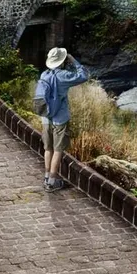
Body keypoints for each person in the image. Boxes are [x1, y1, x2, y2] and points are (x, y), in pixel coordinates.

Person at [35, 47, 89, 192]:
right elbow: (83, 75)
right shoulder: (63, 76)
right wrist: (72, 59)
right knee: (58, 150)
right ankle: (52, 183)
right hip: (60, 118)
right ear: (62, 61)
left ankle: (47, 177)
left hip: (45, 117)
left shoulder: (44, 75)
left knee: (48, 148)